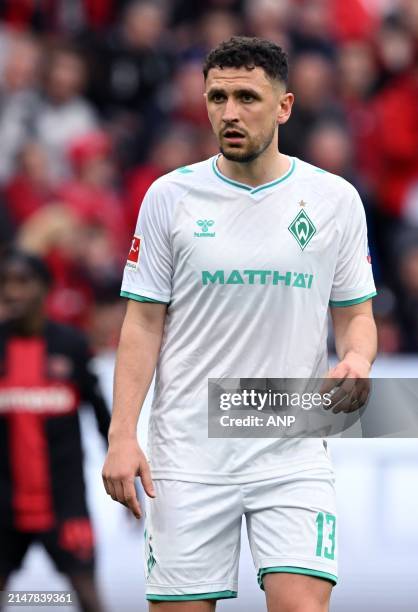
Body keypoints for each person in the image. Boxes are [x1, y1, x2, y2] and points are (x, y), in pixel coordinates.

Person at [102, 36, 377, 612]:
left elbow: (355, 315)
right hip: (188, 453)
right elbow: (143, 322)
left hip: (292, 444)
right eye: (217, 96)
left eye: (247, 97)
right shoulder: (169, 196)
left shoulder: (334, 200)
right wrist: (122, 434)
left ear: (284, 106)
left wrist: (358, 358)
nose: (229, 112)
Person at [0, 250, 109, 612]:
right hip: (4, 503)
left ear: (45, 288)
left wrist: (125, 478)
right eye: (5, 283)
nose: (12, 292)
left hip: (64, 501)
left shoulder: (71, 345)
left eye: (22, 282)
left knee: (88, 594)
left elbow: (101, 415)